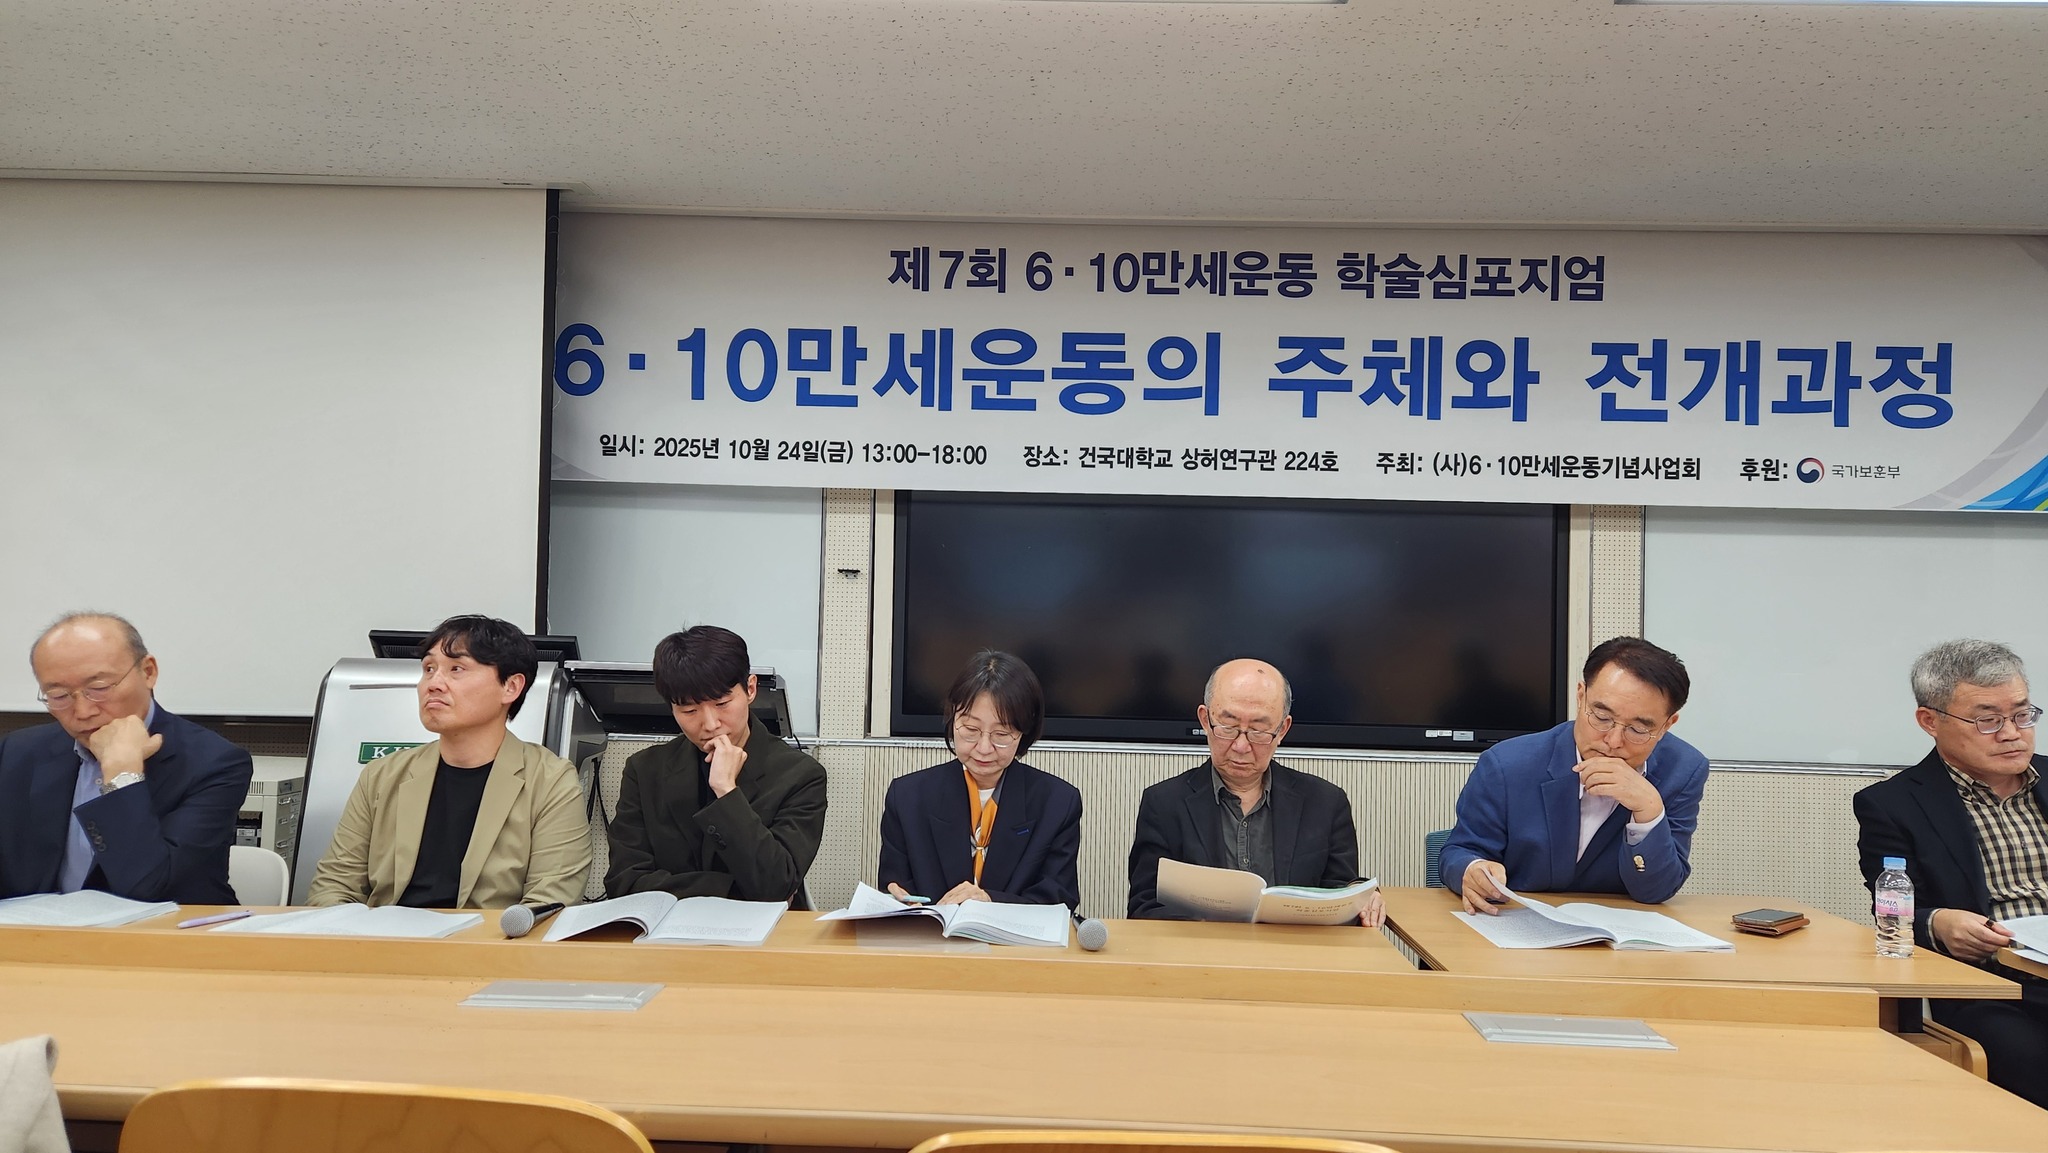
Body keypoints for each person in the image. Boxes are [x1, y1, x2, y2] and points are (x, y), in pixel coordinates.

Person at [1853, 638, 2048, 1108]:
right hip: (1998, 988)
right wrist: (1938, 922)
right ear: (1930, 721)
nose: (2012, 734)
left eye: (2022, 715)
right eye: (1988, 720)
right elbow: (1895, 908)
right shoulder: (1892, 805)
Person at [307, 616, 590, 909]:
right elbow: (334, 885)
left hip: (491, 937)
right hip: (383, 934)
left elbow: (548, 903)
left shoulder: (550, 781)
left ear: (511, 687)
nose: (433, 684)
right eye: (429, 669)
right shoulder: (382, 775)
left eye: (456, 669)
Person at [0, 613, 252, 904]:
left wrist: (122, 776)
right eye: (59, 695)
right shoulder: (17, 753)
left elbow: (148, 886)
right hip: (37, 930)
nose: (82, 712)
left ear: (148, 672)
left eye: (98, 689)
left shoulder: (215, 763)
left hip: (164, 928)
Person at [1442, 636, 1706, 912]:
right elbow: (1460, 851)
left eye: (1638, 729)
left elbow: (1657, 891)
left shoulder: (1684, 771)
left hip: (1619, 932)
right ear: (1581, 696)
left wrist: (1649, 811)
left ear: (1666, 725)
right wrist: (1472, 869)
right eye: (1602, 718)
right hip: (1516, 921)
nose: (1613, 741)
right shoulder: (1508, 764)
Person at [1127, 658, 1385, 926]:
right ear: (1205, 720)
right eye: (1228, 727)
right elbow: (1143, 907)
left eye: (1259, 731)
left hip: (1296, 949)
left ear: (1282, 730)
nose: (1241, 746)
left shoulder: (1326, 803)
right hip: (1200, 949)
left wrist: (1362, 898)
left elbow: (1342, 897)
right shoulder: (1163, 804)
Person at [606, 625, 827, 903]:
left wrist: (726, 791)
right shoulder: (645, 770)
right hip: (666, 927)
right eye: (689, 710)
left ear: (750, 689)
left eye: (722, 703)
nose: (710, 724)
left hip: (764, 930)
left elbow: (775, 885)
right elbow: (624, 882)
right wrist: (730, 890)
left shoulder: (800, 774)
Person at [879, 651, 1081, 908]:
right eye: (971, 730)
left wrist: (989, 900)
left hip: (1012, 935)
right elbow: (893, 887)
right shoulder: (907, 797)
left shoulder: (1058, 803)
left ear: (1024, 732)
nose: (984, 748)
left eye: (1001, 734)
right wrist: (897, 903)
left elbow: (1059, 898)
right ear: (952, 720)